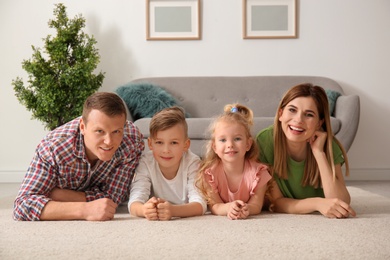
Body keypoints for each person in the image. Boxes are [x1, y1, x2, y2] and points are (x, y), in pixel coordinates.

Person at [13, 92, 145, 221]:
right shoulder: (53, 147)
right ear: (83, 126)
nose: (109, 141)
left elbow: (112, 199)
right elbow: (23, 205)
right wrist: (84, 209)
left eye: (116, 131)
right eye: (100, 131)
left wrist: (58, 195)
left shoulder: (131, 140)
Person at [256, 83, 357, 218]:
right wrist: (317, 204)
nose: (298, 120)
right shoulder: (265, 141)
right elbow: (276, 202)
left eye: (309, 114)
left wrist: (319, 153)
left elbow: (342, 202)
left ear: (319, 123)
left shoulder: (327, 144)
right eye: (292, 110)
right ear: (280, 113)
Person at [128, 106, 206, 220]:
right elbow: (134, 202)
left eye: (174, 143)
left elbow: (200, 205)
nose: (166, 150)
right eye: (159, 142)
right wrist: (144, 210)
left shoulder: (192, 162)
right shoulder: (146, 162)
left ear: (186, 145)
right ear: (150, 144)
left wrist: (173, 210)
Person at [195, 103, 271, 220]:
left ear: (248, 144)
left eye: (237, 139)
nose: (230, 145)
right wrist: (229, 208)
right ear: (214, 147)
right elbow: (215, 206)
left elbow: (256, 205)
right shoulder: (209, 174)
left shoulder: (259, 173)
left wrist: (247, 209)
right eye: (223, 140)